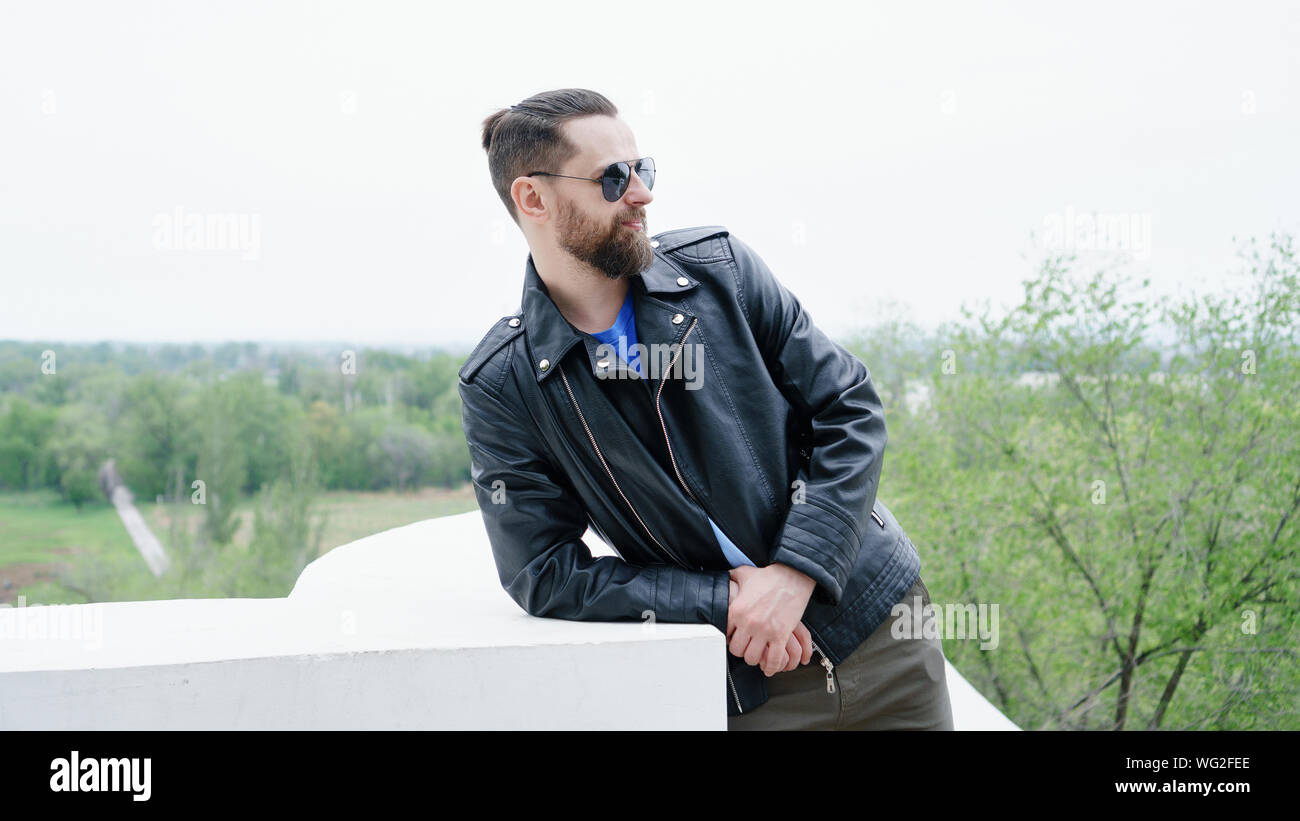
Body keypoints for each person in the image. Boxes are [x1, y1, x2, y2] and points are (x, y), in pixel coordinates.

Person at [459, 88, 953, 730]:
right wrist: (723, 601)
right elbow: (542, 571)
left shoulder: (723, 271)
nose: (642, 193)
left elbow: (849, 406)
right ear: (533, 198)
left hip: (885, 632)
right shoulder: (505, 383)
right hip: (744, 685)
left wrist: (795, 572)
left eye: (644, 170)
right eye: (614, 177)